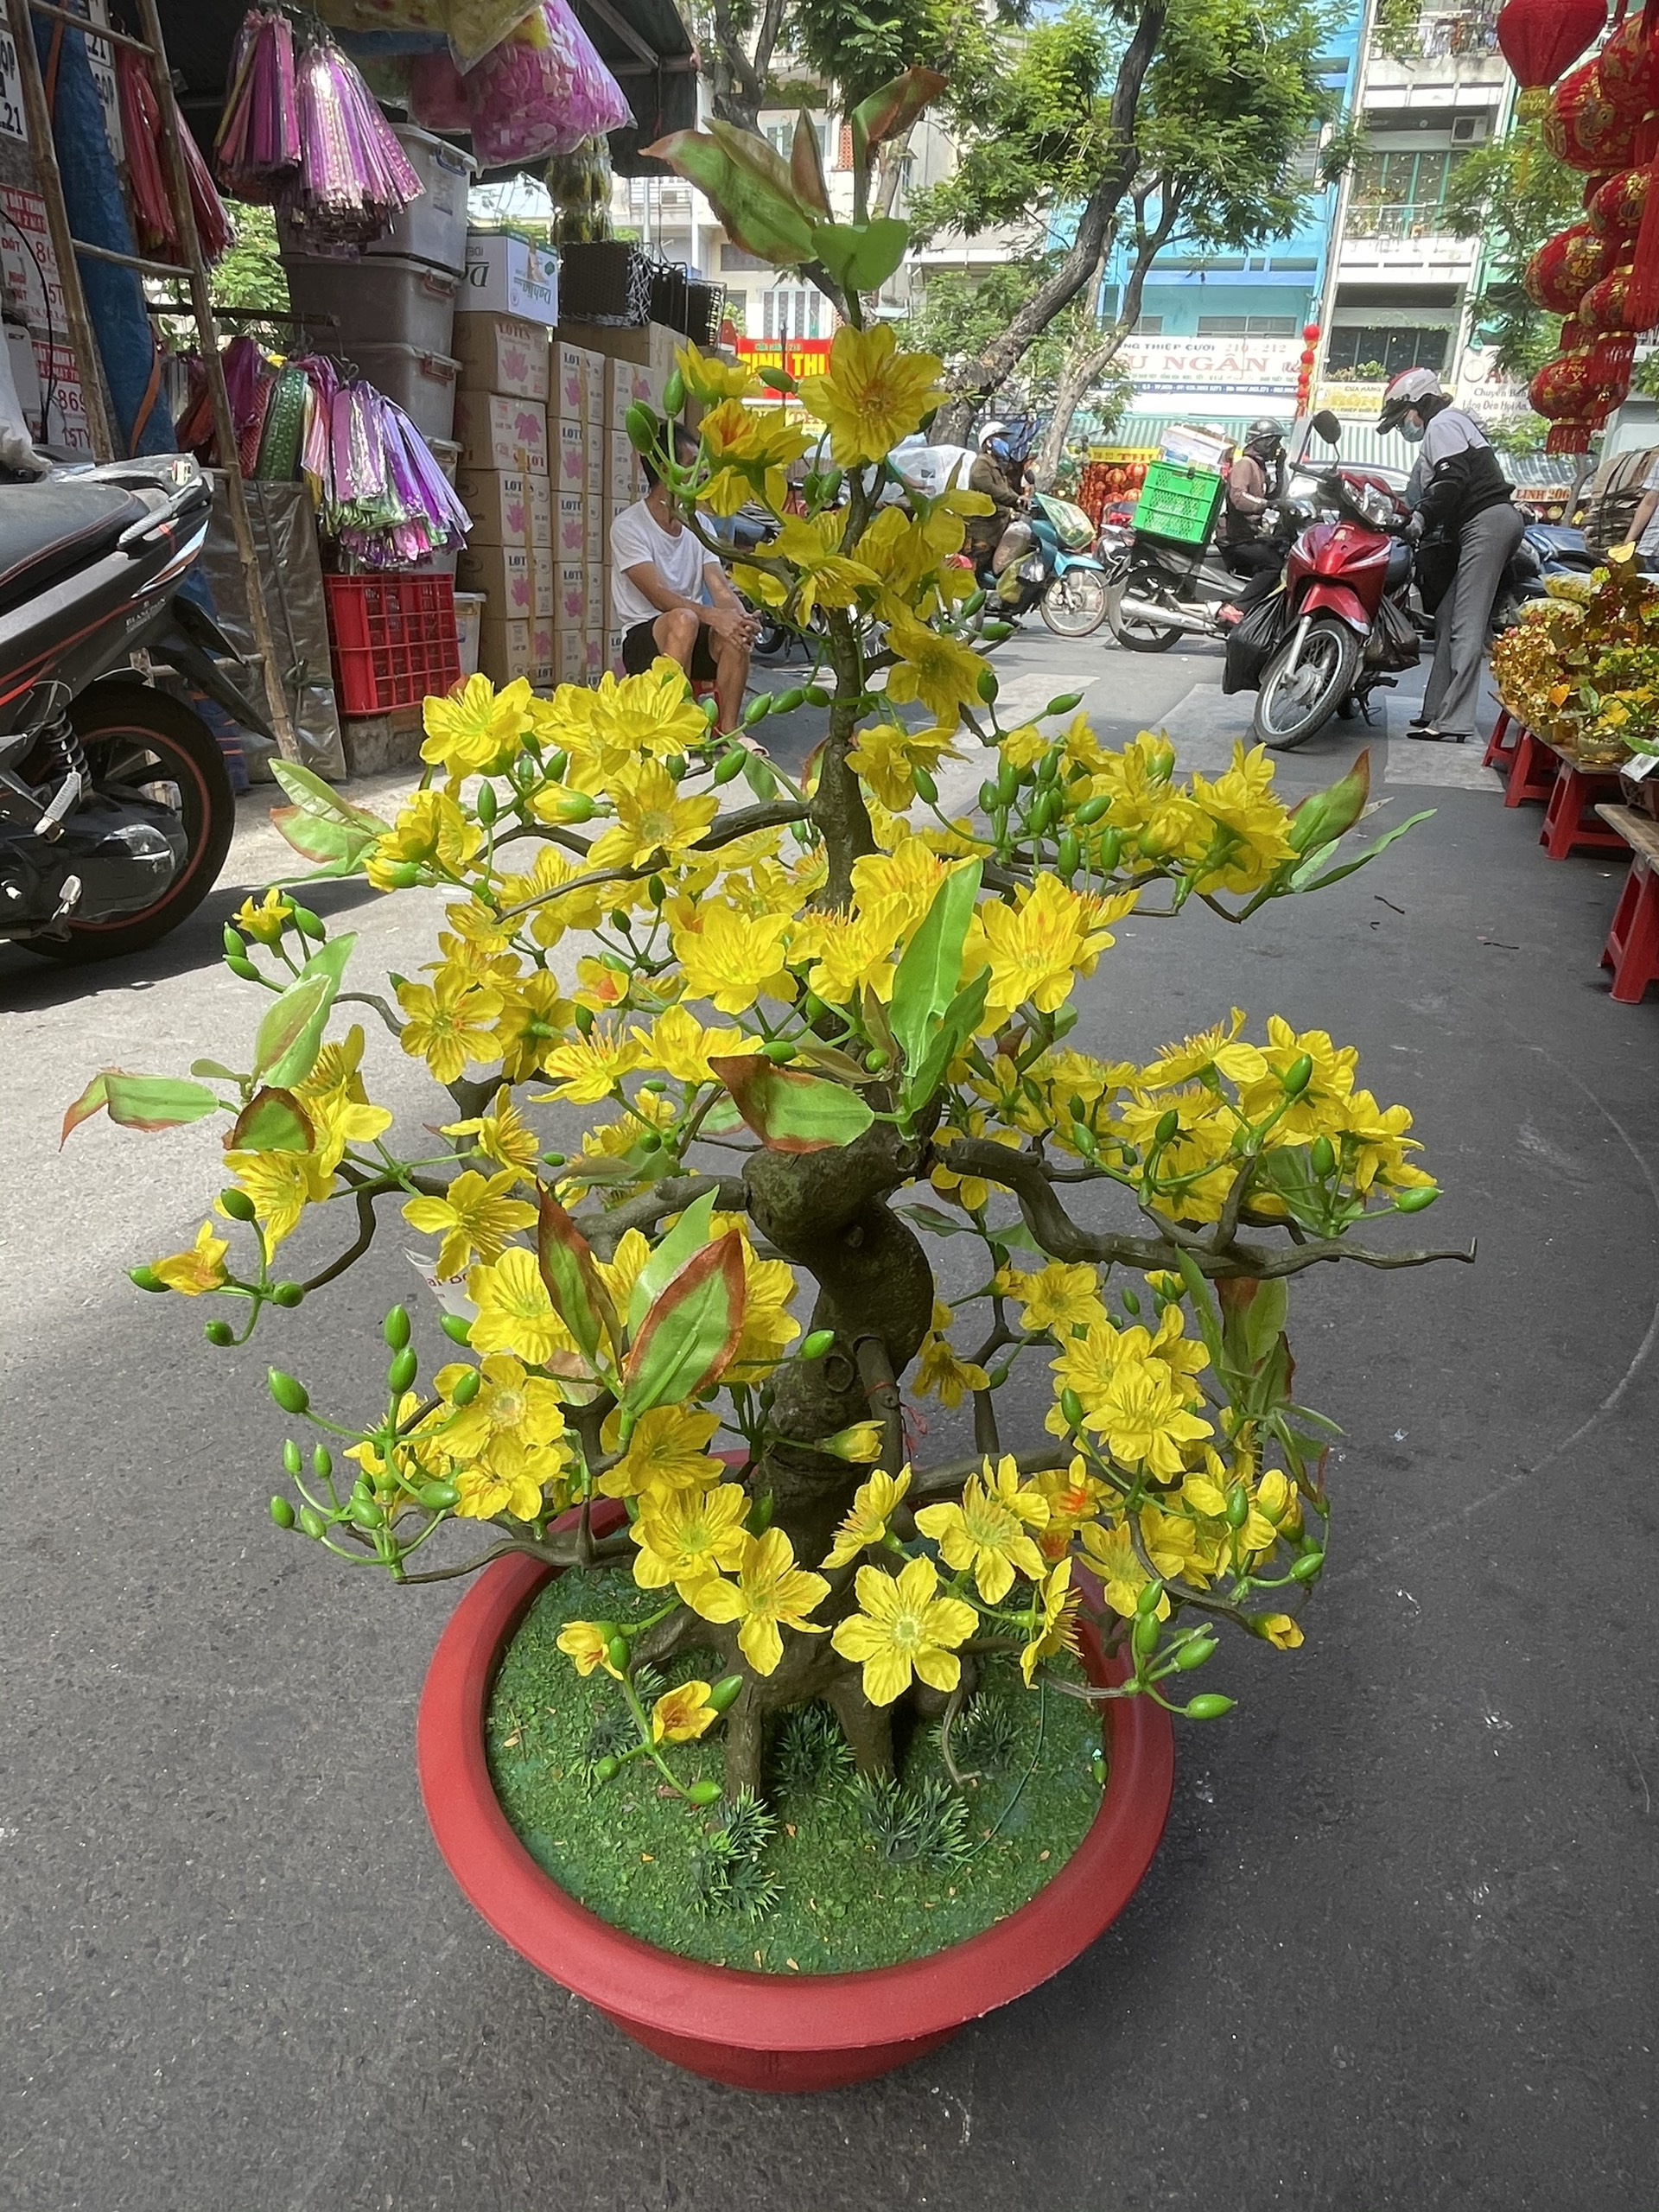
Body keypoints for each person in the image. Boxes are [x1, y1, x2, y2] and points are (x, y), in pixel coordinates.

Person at [1379, 365, 1522, 744]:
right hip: (1486, 523)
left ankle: (1454, 721)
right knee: (1446, 617)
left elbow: (1450, 479)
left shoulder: (1443, 423)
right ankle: (1434, 711)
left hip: (1487, 522)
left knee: (1466, 623)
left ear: (1419, 404)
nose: (1403, 427)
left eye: (1402, 418)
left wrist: (1421, 519)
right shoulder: (1450, 425)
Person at [609, 422, 757, 737]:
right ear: (665, 469)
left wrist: (738, 617)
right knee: (685, 619)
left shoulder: (699, 522)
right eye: (691, 466)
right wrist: (713, 615)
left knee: (735, 633)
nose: (700, 476)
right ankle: (674, 730)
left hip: (691, 628)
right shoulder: (628, 526)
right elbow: (657, 595)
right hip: (645, 638)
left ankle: (730, 732)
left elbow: (718, 586)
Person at [1216, 416, 1290, 620]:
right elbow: (1239, 497)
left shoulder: (1260, 468)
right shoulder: (1245, 465)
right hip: (1236, 537)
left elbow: (1274, 496)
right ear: (1262, 442)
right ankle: (1236, 607)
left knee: (1277, 549)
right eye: (1274, 442)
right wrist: (1265, 504)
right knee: (1273, 564)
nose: (1277, 447)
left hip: (1249, 535)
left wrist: (1281, 468)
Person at [964, 423, 1024, 575]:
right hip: (983, 531)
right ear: (989, 442)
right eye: (1000, 438)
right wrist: (1015, 500)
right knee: (975, 569)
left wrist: (1021, 503)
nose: (1005, 442)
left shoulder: (996, 466)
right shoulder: (981, 464)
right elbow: (989, 489)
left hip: (997, 527)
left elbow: (1006, 491)